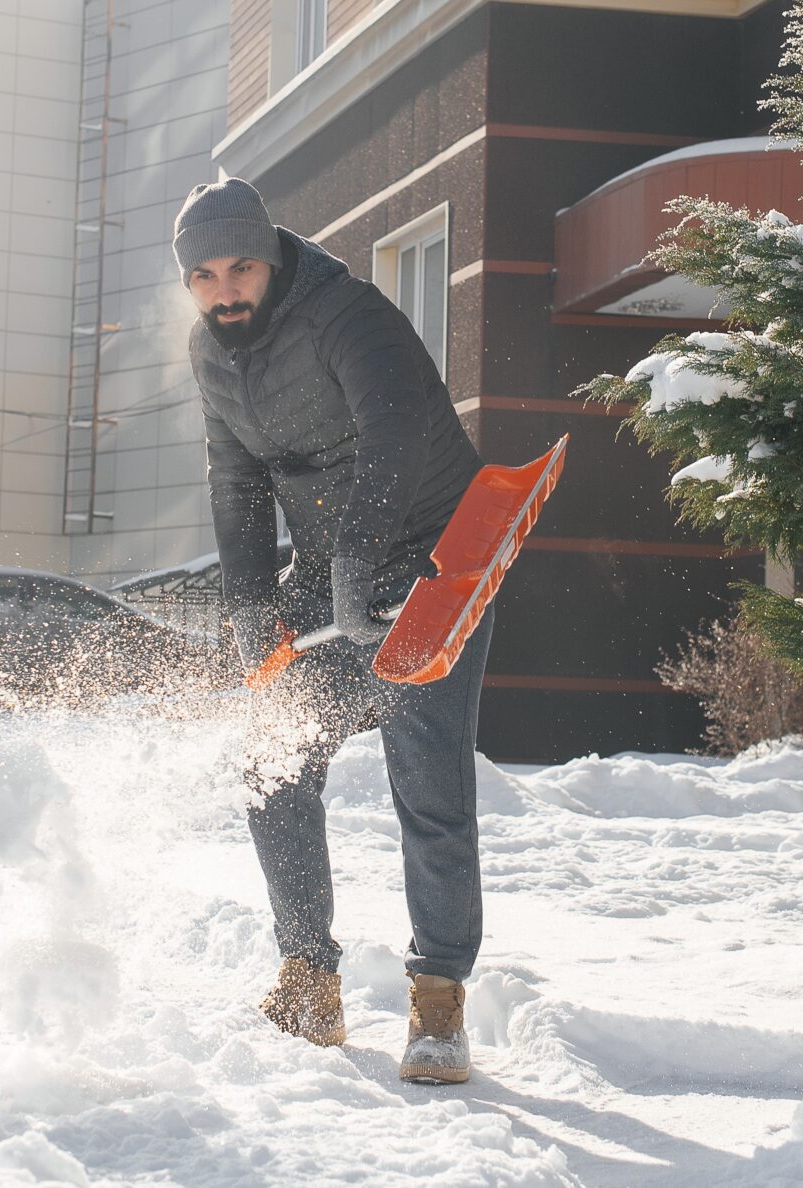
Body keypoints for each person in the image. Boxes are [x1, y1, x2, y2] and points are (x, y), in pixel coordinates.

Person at [176, 178, 491, 1085]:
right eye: (204, 277)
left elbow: (396, 436)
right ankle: (308, 978)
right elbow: (233, 481)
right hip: (329, 569)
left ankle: (438, 1004)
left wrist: (360, 561)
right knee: (273, 760)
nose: (226, 290)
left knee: (425, 775)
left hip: (435, 554)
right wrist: (247, 606)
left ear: (270, 258)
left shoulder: (350, 315)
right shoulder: (211, 352)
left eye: (240, 268)